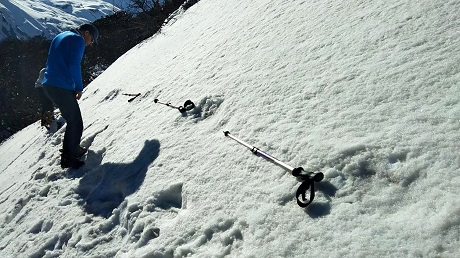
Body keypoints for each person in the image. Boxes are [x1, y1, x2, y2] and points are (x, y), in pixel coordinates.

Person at [43, 23, 99, 169]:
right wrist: (78, 87)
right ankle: (69, 158)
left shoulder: (61, 36)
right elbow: (74, 65)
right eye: (92, 39)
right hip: (59, 86)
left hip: (50, 84)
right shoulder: (77, 39)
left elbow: (57, 61)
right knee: (76, 122)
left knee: (72, 119)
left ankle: (72, 150)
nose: (90, 43)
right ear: (86, 33)